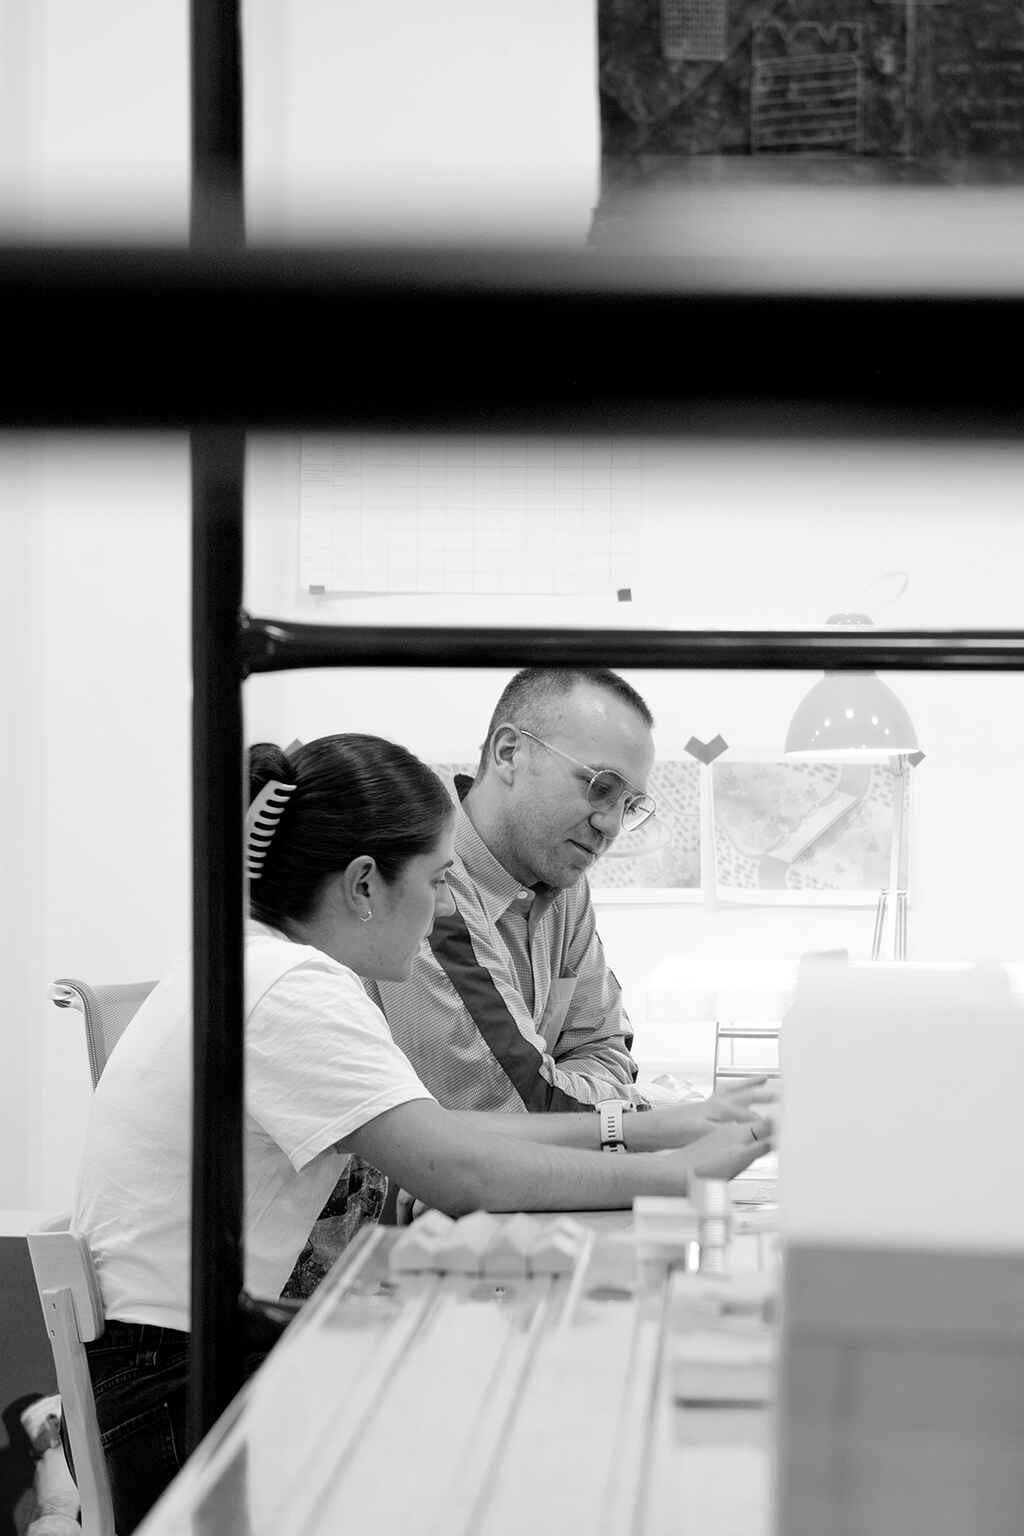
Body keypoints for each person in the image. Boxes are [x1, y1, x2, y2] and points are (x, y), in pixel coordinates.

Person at [72, 733, 771, 1533]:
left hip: (178, 1361)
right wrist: (680, 1175)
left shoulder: (263, 965)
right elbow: (460, 1171)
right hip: (176, 1392)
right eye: (437, 881)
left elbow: (442, 1134)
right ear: (364, 883)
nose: (443, 909)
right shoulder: (289, 988)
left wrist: (651, 1130)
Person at [367, 667, 662, 1112]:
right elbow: (523, 1105)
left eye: (630, 805)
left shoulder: (562, 878)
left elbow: (607, 1047)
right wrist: (633, 1112)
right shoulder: (431, 887)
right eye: (601, 786)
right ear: (509, 754)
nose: (612, 825)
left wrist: (577, 1090)